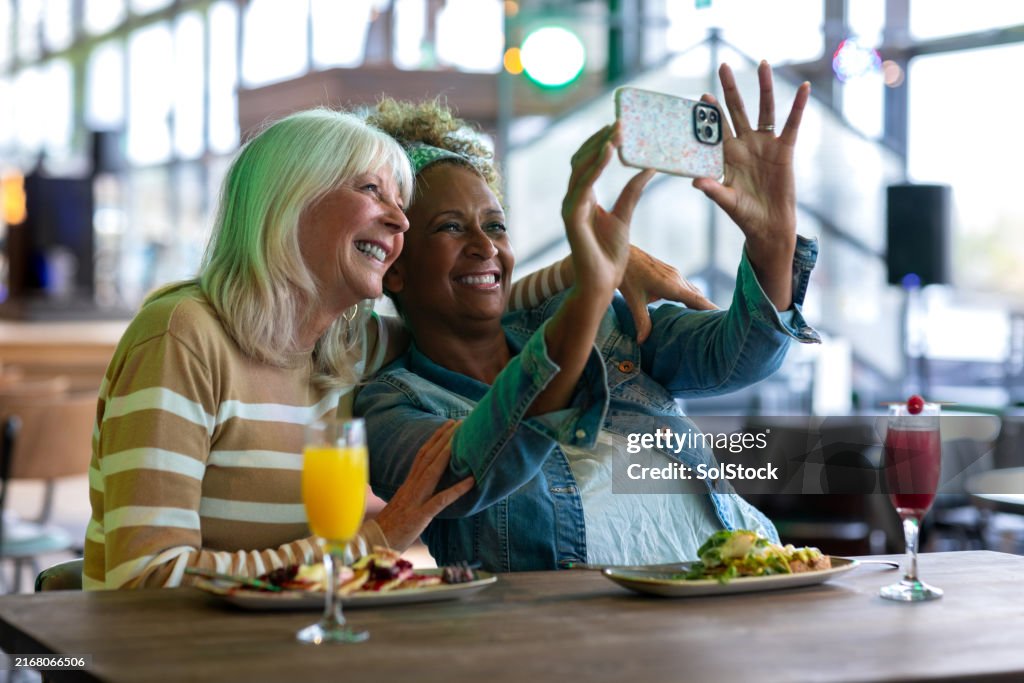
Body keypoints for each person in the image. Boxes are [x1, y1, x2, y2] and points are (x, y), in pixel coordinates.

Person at [84, 107, 702, 590]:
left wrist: (589, 271)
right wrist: (378, 540)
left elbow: (478, 306)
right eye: (372, 192)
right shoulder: (185, 333)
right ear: (290, 198)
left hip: (300, 641)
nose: (400, 223)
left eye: (401, 206)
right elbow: (146, 579)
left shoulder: (348, 346)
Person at [356, 61, 821, 571]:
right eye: (450, 228)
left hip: (745, 576)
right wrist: (590, 290)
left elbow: (736, 358)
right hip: (576, 635)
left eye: (496, 225)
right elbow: (474, 470)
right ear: (393, 266)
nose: (486, 246)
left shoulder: (601, 325)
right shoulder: (391, 407)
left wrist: (773, 243)